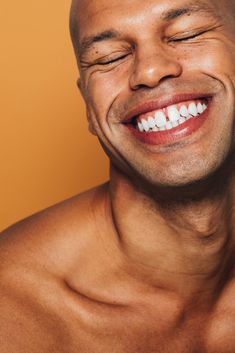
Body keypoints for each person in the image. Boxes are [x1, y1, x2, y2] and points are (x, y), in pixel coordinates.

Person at [1, 0, 235, 351]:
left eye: (188, 34)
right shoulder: (15, 313)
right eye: (109, 57)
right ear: (89, 108)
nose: (150, 72)